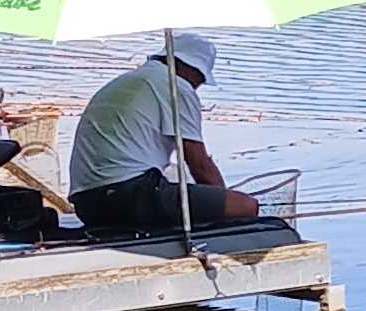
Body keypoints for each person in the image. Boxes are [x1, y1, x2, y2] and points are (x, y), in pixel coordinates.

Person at [66, 37, 263, 233]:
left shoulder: (128, 80)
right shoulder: (176, 87)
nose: (197, 87)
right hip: (129, 195)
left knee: (184, 191)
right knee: (245, 206)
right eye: (199, 79)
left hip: (87, 204)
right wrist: (223, 200)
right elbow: (199, 163)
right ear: (189, 68)